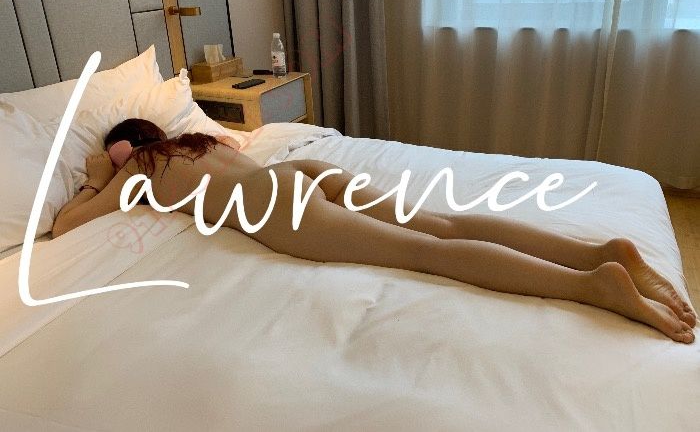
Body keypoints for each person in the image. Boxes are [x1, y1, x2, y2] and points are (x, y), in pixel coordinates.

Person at [53, 119, 696, 343]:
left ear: (123, 147)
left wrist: (94, 178)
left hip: (275, 206)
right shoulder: (200, 141)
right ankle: (594, 250)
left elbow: (65, 226)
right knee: (443, 222)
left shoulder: (135, 169)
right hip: (301, 173)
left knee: (428, 252)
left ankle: (590, 284)